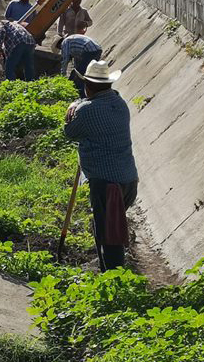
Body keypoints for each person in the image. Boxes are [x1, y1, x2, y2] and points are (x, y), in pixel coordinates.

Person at [64, 60, 138, 271]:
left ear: (88, 86)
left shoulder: (86, 111)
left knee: (108, 234)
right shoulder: (120, 104)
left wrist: (71, 111)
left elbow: (70, 133)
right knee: (112, 227)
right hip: (128, 180)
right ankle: (111, 272)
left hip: (107, 184)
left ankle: (112, 278)